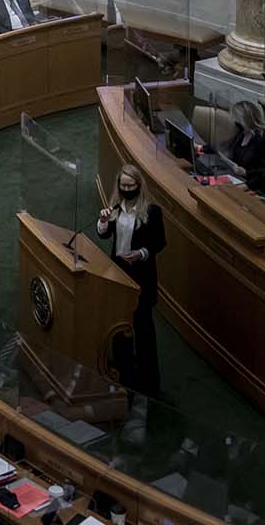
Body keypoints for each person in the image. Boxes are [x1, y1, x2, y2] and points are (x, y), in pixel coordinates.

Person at [97, 162, 165, 396]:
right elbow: (104, 234)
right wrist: (103, 220)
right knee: (119, 324)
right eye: (123, 186)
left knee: (143, 328)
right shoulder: (116, 208)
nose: (126, 189)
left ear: (138, 185)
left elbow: (159, 242)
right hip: (118, 271)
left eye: (130, 185)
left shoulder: (152, 211)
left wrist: (141, 254)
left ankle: (149, 383)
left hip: (142, 275)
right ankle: (124, 375)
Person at [228, 99, 265, 198]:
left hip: (257, 188)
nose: (235, 122)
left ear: (244, 119)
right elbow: (227, 146)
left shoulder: (264, 137)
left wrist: (248, 182)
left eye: (237, 119)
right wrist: (202, 148)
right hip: (239, 180)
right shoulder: (242, 133)